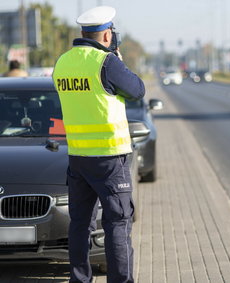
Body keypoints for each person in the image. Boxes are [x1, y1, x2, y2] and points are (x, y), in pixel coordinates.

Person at [52, 6, 145, 283]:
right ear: (107, 35)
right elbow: (138, 90)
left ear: (83, 33)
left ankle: (80, 279)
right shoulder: (107, 62)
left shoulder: (63, 62)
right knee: (117, 222)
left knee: (80, 224)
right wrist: (119, 61)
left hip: (78, 157)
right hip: (109, 157)